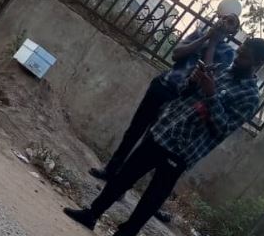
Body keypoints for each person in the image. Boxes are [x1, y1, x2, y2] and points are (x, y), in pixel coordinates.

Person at [64, 36, 264, 236]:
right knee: (123, 176)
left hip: (183, 149)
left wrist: (211, 94)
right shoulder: (220, 70)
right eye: (239, 53)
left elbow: (223, 127)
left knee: (151, 199)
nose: (237, 59)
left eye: (244, 57)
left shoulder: (250, 97)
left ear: (258, 64)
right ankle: (92, 214)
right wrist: (194, 81)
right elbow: (183, 94)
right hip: (165, 130)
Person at [89, 11, 241, 184]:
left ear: (232, 32)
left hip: (179, 101)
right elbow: (176, 54)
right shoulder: (199, 33)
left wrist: (213, 43)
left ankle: (122, 183)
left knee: (150, 142)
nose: (224, 22)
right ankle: (111, 170)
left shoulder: (228, 54)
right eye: (224, 18)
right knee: (134, 130)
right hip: (162, 85)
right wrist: (206, 37)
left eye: (230, 22)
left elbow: (208, 74)